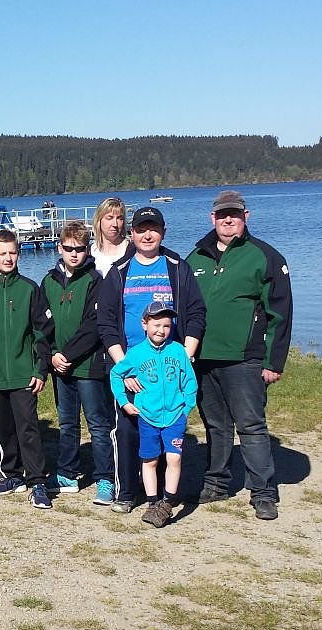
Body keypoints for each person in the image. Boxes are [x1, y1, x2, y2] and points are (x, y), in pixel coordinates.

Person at [186, 190, 293, 520]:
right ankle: (216, 483)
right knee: (215, 425)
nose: (227, 220)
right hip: (204, 358)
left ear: (246, 216)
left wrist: (273, 362)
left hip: (245, 358)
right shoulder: (196, 258)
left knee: (251, 425)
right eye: (222, 215)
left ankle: (263, 491)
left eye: (234, 214)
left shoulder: (265, 256)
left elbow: (280, 313)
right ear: (212, 218)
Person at [97, 206, 205, 513]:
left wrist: (185, 354)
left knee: (165, 428)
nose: (147, 235)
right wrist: (124, 368)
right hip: (131, 365)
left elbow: (196, 312)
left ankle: (161, 498)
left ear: (163, 232)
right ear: (131, 233)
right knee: (128, 430)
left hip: (168, 366)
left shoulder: (177, 268)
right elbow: (106, 322)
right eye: (141, 229)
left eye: (153, 229)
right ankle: (127, 492)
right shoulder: (119, 271)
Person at [0, 231, 54, 509]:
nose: (8, 258)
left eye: (13, 253)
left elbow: (42, 333)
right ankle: (13, 474)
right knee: (5, 428)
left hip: (24, 373)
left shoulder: (29, 289)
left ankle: (37, 481)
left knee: (28, 427)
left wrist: (40, 369)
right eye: (3, 253)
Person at [40, 221, 113, 502]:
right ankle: (67, 473)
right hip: (60, 367)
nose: (74, 254)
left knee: (98, 424)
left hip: (88, 366)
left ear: (87, 250)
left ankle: (105, 477)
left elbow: (93, 326)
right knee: (67, 423)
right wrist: (52, 355)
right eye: (69, 248)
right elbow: (42, 324)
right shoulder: (48, 281)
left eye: (79, 249)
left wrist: (68, 355)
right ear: (60, 248)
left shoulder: (96, 280)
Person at [109, 302, 198, 528]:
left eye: (166, 325)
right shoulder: (136, 353)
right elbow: (116, 375)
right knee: (150, 460)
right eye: (156, 325)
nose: (161, 330)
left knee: (174, 458)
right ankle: (152, 502)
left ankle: (167, 502)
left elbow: (190, 381)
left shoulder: (178, 350)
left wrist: (186, 407)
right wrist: (124, 402)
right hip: (148, 417)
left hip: (175, 416)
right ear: (144, 324)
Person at [91, 197, 129, 267]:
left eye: (119, 218)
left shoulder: (131, 251)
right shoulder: (90, 252)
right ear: (99, 220)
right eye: (109, 218)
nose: (115, 224)